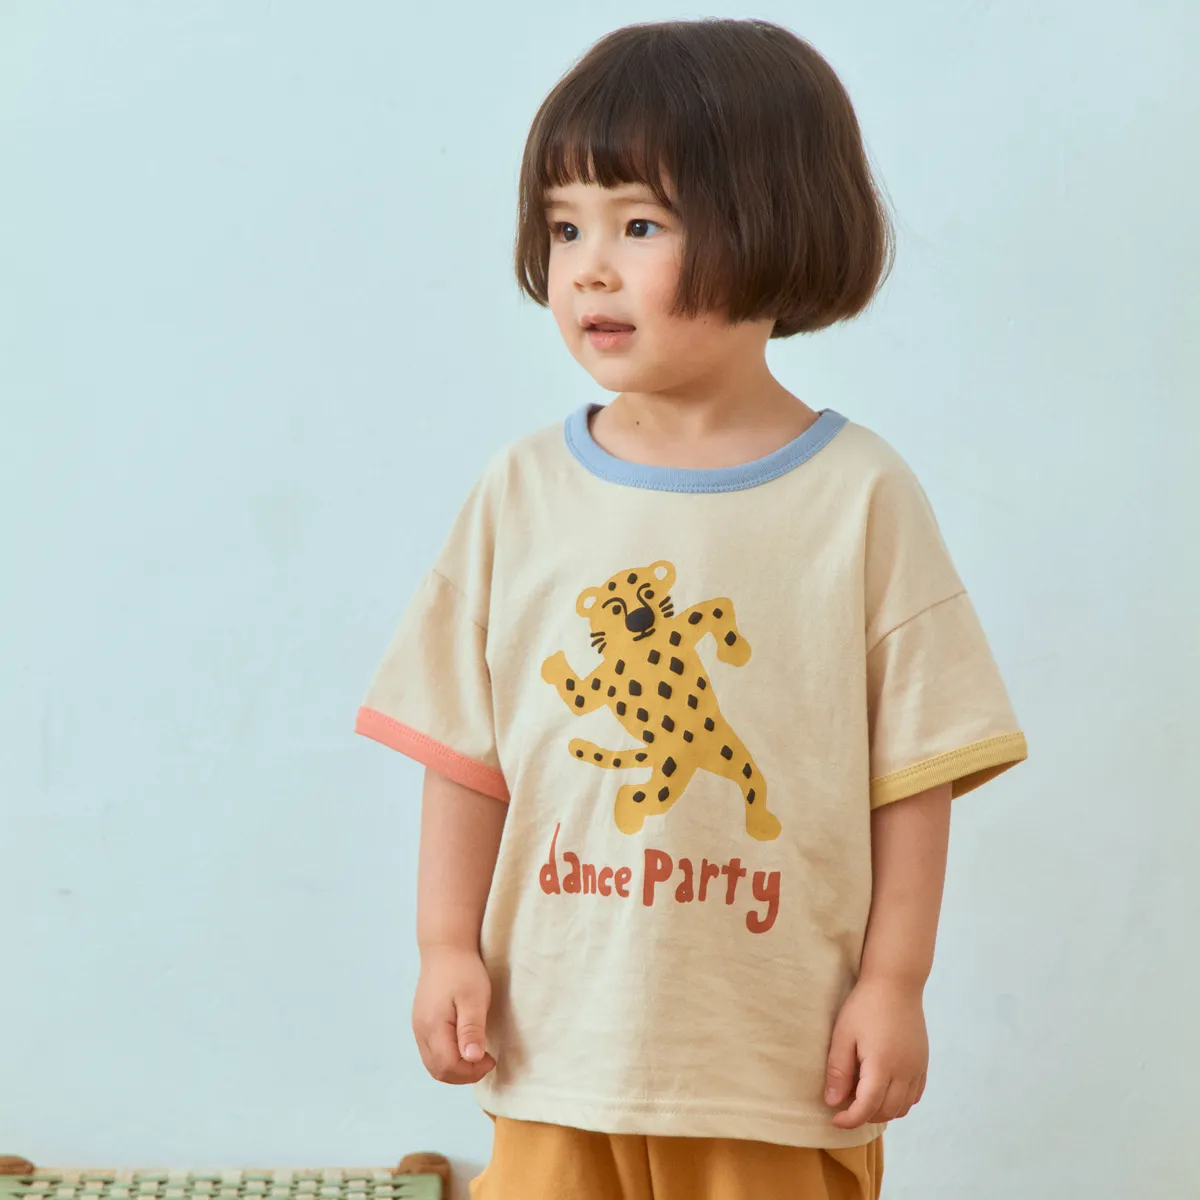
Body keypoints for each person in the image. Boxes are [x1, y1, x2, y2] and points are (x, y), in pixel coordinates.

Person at [355, 17, 1027, 1200]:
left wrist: (895, 984)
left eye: (639, 225)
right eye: (565, 226)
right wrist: (444, 944)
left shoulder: (860, 497)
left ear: (773, 223)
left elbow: (914, 774)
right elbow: (464, 755)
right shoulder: (521, 491)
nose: (588, 268)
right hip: (556, 1051)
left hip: (773, 1068)